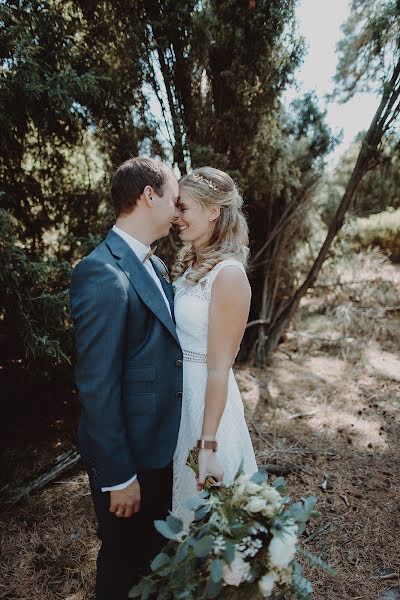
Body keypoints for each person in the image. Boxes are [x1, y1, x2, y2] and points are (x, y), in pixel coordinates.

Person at [69, 157, 182, 600]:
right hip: (128, 461)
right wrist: (118, 476)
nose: (177, 211)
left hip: (161, 449)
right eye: (173, 198)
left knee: (154, 564)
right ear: (148, 195)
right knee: (122, 568)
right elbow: (97, 383)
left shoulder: (155, 268)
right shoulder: (101, 272)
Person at [171, 167, 258, 528]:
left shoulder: (229, 276)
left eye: (183, 208)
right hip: (179, 403)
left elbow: (220, 367)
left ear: (212, 211)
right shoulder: (188, 266)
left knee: (211, 525)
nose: (175, 217)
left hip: (208, 408)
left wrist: (207, 444)